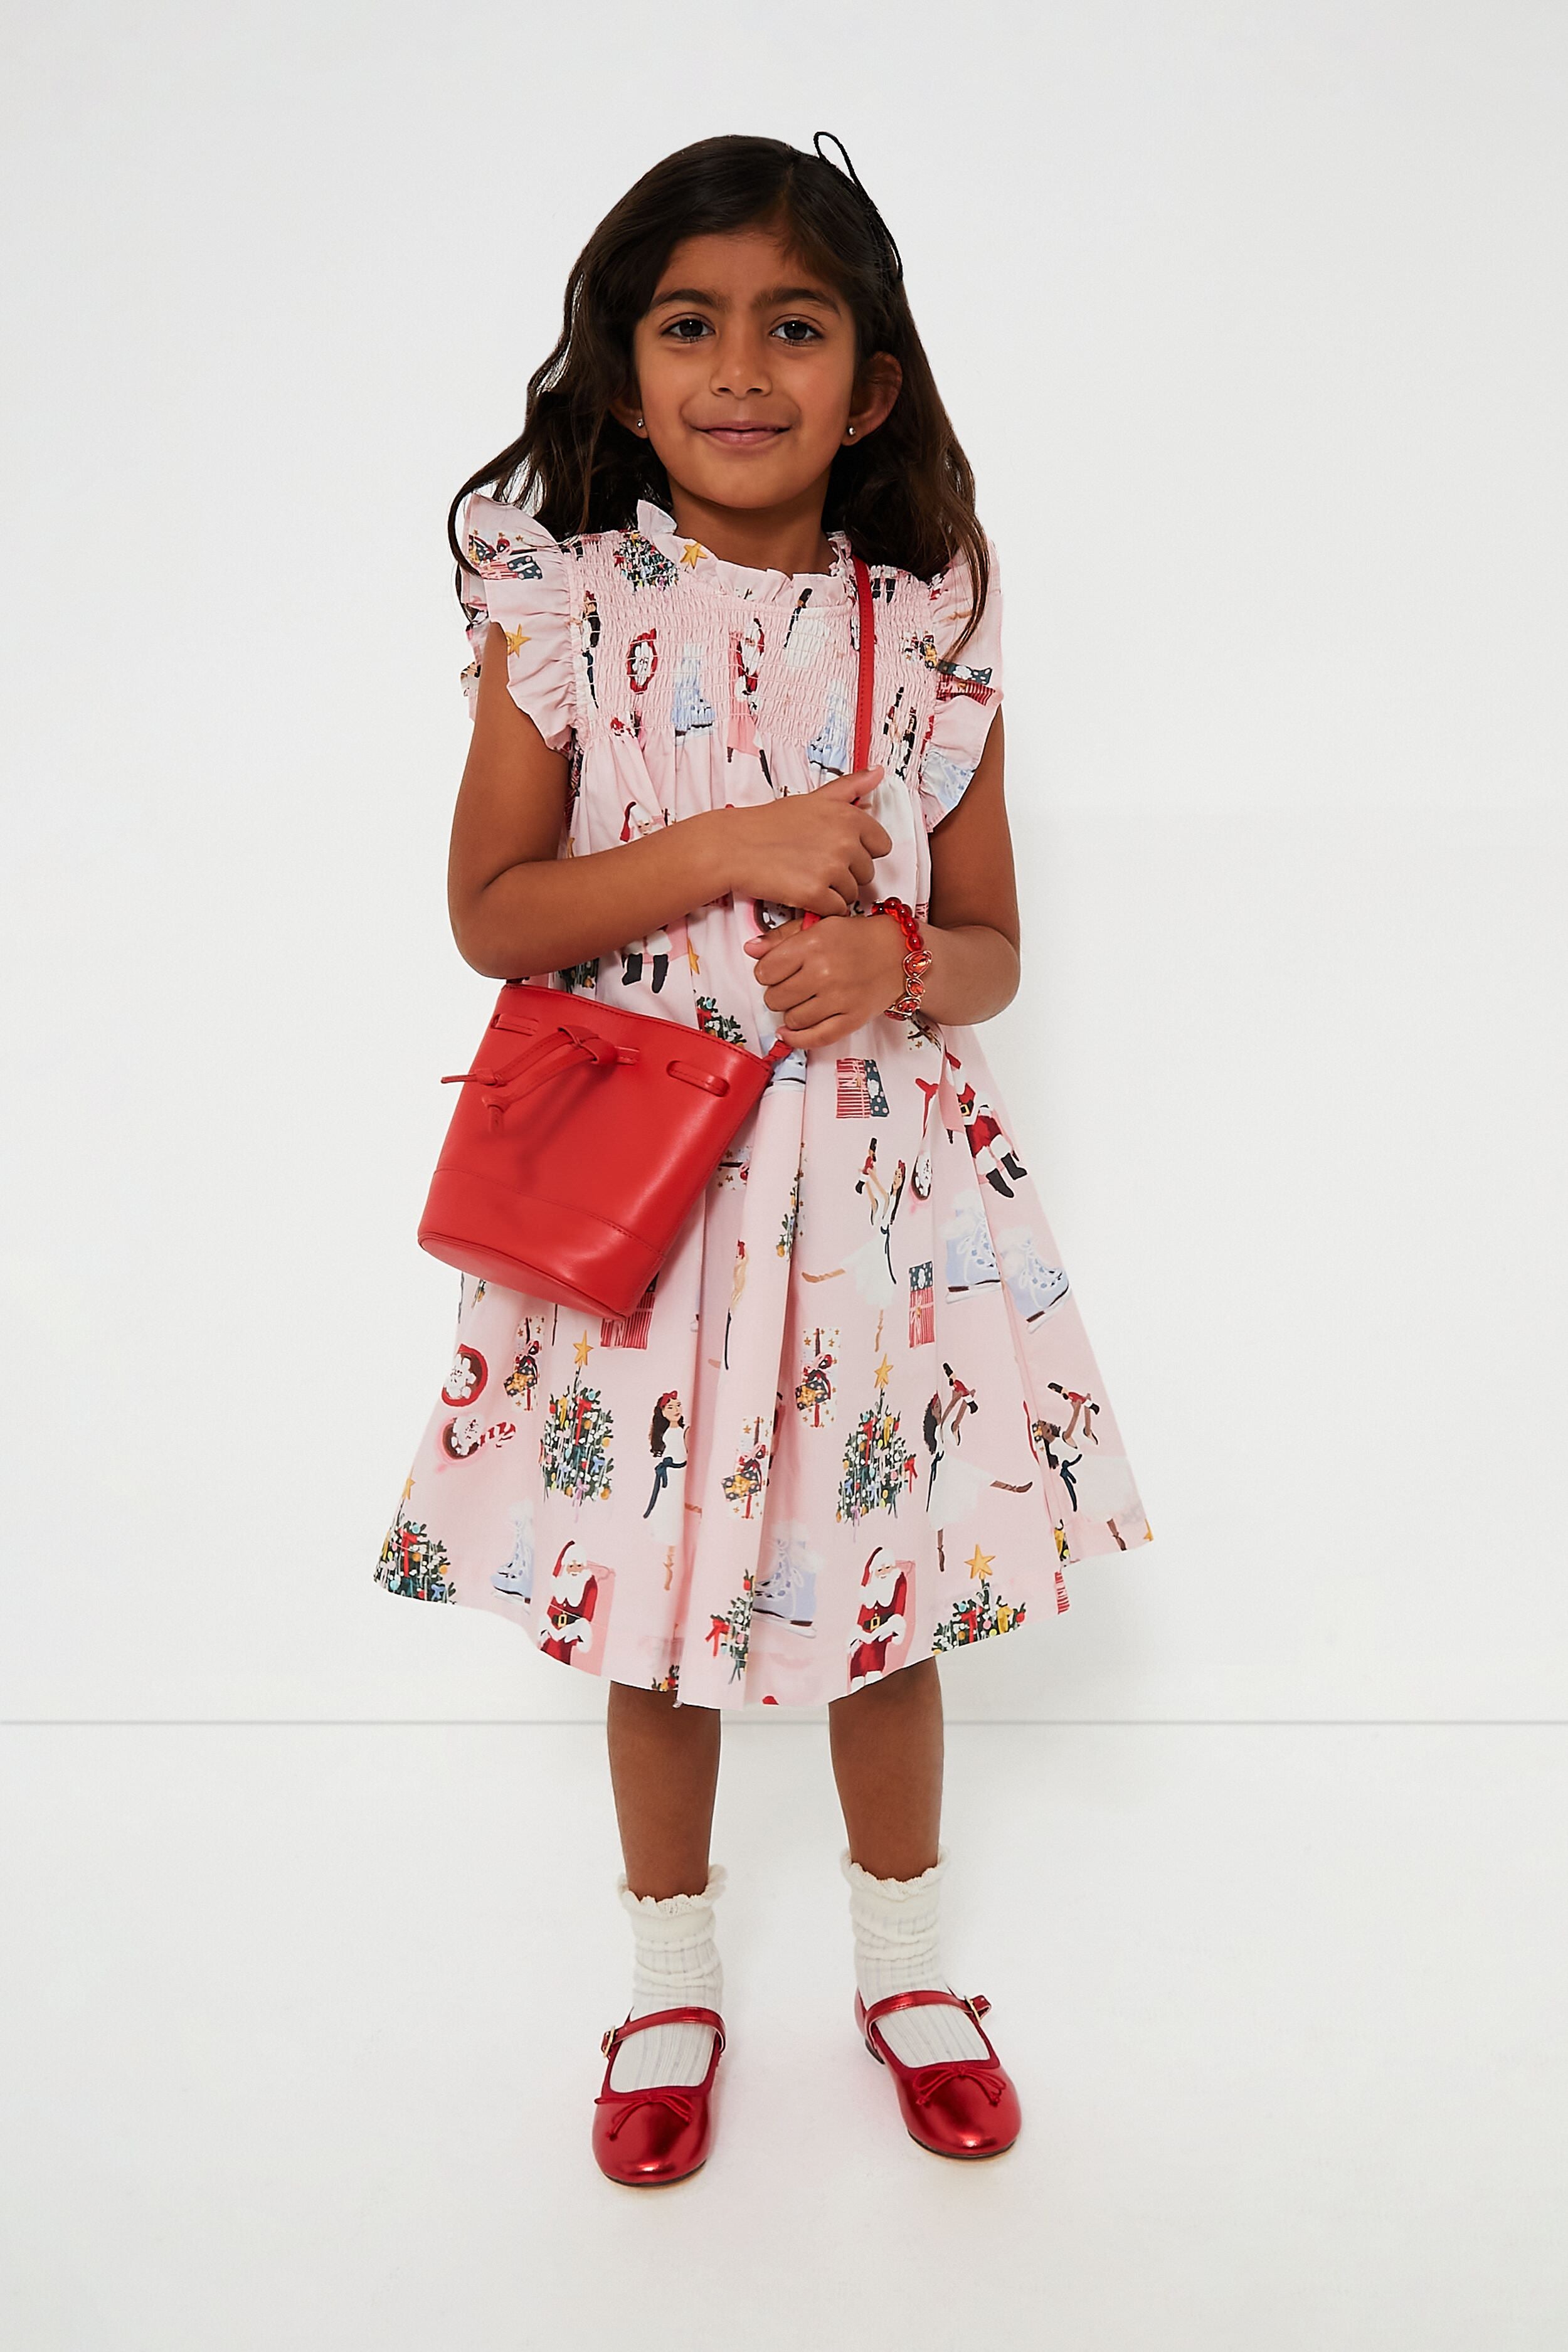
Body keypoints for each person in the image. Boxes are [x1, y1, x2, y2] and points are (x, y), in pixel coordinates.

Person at [375, 130, 1153, 2186]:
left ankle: (906, 1970)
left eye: (793, 328)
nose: (739, 369)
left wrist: (898, 959)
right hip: (652, 1208)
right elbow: (492, 913)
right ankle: (666, 1982)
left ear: (869, 384)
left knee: (882, 1604)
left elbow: (990, 948)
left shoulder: (930, 629)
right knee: (656, 1605)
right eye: (688, 326)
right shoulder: (567, 608)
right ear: (625, 379)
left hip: (873, 1203)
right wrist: (722, 845)